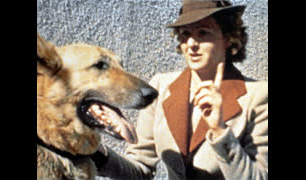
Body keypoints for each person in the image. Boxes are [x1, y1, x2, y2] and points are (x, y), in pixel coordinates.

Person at [91, 0, 268, 179]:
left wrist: (220, 132)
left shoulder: (258, 96)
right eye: (185, 33)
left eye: (203, 33)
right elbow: (140, 168)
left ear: (229, 38)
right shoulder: (161, 86)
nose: (191, 43)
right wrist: (94, 153)